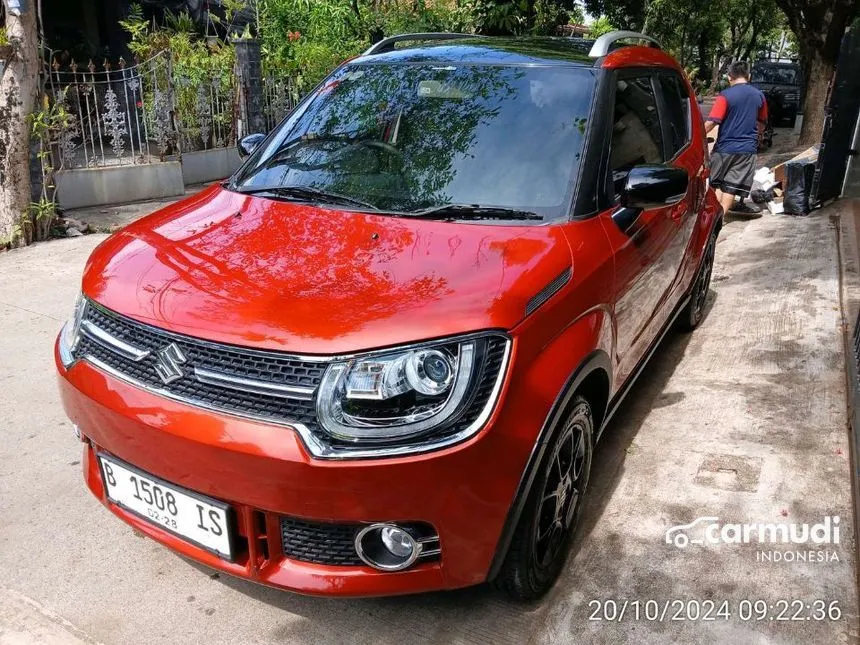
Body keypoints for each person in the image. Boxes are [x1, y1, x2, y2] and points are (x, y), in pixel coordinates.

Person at [704, 61, 768, 217]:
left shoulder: (725, 95)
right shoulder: (759, 95)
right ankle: (720, 219)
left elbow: (712, 121)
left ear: (729, 77)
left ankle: (711, 221)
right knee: (731, 187)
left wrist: (696, 135)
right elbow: (762, 123)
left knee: (716, 184)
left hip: (724, 149)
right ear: (749, 76)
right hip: (747, 151)